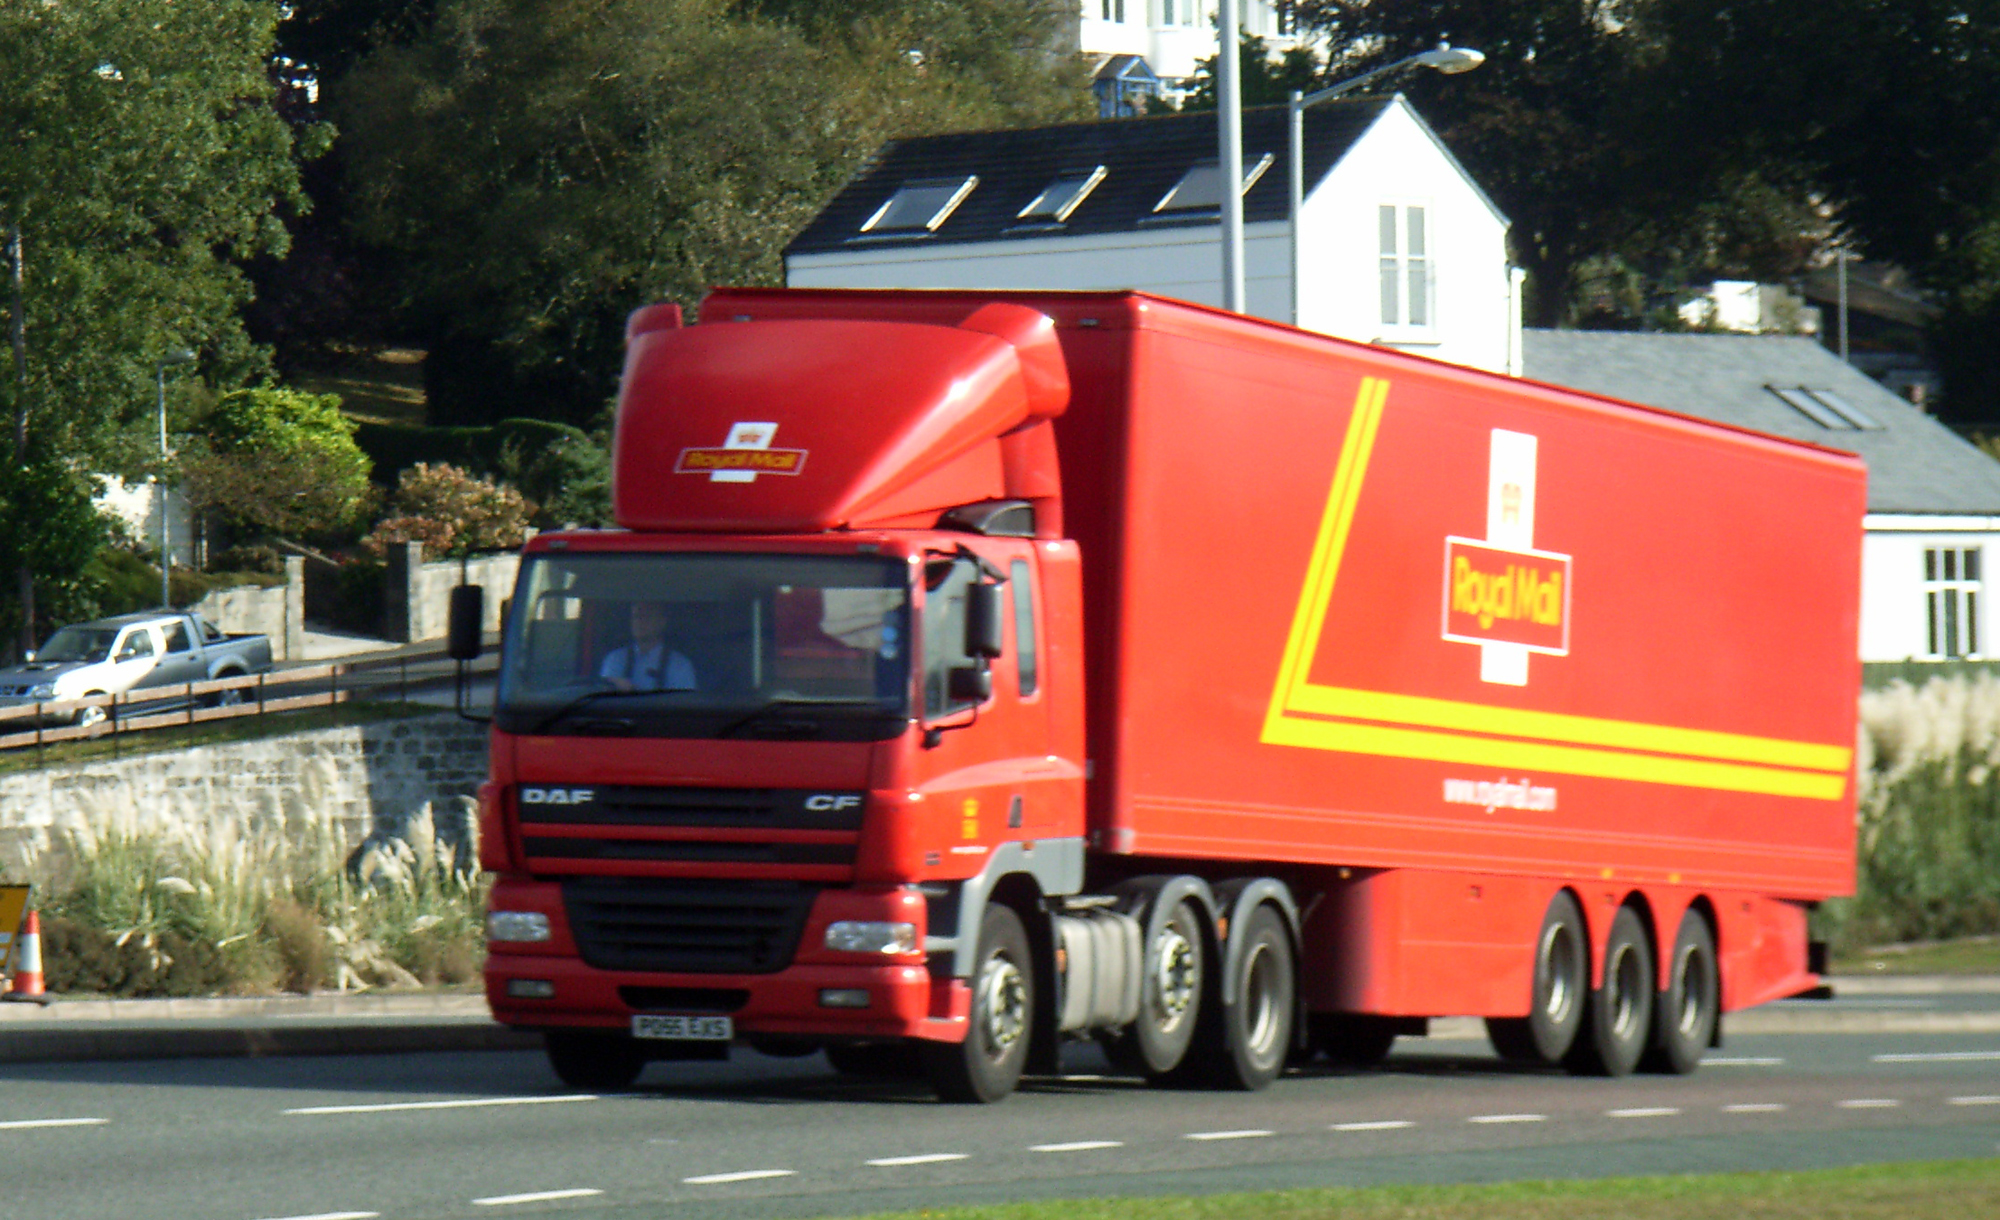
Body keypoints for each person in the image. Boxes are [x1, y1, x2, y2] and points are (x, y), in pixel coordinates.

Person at [599, 601, 698, 690]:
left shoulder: (680, 665)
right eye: (637, 616)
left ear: (662, 622)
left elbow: (682, 705)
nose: (640, 621)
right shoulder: (615, 659)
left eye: (647, 616)